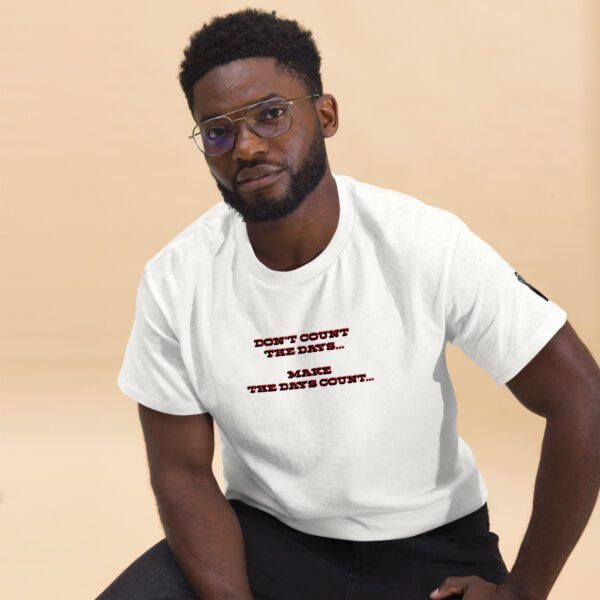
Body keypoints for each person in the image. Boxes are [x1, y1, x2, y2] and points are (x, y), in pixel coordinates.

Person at [97, 8, 600, 600]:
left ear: (325, 114)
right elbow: (180, 470)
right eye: (218, 131)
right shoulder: (175, 280)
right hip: (267, 540)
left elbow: (582, 399)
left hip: (429, 546)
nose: (247, 146)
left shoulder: (423, 242)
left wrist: (523, 593)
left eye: (271, 114)